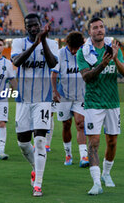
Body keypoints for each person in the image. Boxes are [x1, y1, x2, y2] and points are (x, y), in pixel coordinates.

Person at [77, 17, 124, 195]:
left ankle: (106, 174)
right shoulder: (83, 52)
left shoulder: (113, 48)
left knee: (112, 142)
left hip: (113, 102)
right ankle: (96, 182)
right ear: (89, 32)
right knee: (94, 142)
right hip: (93, 103)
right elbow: (86, 77)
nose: (99, 30)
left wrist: (115, 59)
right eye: (95, 28)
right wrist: (102, 64)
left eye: (101, 27)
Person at [11, 13, 58, 197]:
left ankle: (38, 183)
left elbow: (53, 63)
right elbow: (16, 61)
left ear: (40, 25)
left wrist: (44, 42)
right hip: (23, 99)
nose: (33, 27)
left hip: (43, 100)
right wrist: (35, 44)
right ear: (25, 28)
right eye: (29, 25)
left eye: (35, 24)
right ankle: (35, 166)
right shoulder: (18, 43)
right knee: (23, 143)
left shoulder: (52, 43)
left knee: (39, 141)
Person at [51, 31, 88, 167]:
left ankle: (84, 156)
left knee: (80, 123)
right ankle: (68, 154)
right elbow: (54, 74)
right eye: (72, 48)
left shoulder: (85, 52)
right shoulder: (60, 54)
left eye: (77, 48)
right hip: (64, 96)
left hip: (80, 96)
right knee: (66, 124)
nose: (74, 51)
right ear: (68, 45)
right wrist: (54, 91)